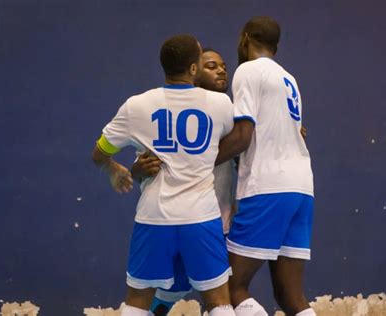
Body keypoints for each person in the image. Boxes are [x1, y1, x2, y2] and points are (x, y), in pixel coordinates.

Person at [91, 34, 235, 316]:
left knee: (137, 301)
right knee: (219, 301)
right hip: (202, 217)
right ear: (194, 68)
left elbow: (99, 152)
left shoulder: (137, 106)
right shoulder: (221, 106)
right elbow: (243, 137)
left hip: (154, 216)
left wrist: (113, 168)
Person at [215, 17, 316, 316]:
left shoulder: (248, 71)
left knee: (228, 288)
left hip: (268, 187)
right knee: (290, 296)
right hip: (302, 189)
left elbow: (243, 136)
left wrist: (195, 160)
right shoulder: (289, 79)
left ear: (244, 38)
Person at [130, 47, 237, 315]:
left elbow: (254, 137)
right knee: (171, 291)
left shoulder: (231, 113)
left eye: (223, 65)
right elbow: (139, 168)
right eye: (211, 66)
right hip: (183, 218)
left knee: (225, 295)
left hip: (218, 221)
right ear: (193, 71)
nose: (222, 70)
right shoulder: (162, 114)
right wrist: (136, 169)